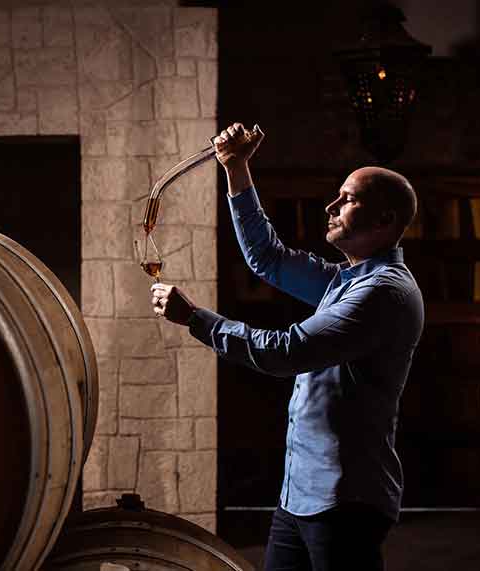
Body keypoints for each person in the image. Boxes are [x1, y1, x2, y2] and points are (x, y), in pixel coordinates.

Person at [150, 123, 424, 571]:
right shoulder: (344, 281)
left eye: (348, 199)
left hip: (345, 500)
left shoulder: (382, 293)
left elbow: (286, 352)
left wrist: (197, 319)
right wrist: (236, 168)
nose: (331, 207)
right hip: (300, 494)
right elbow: (268, 258)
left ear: (385, 220)